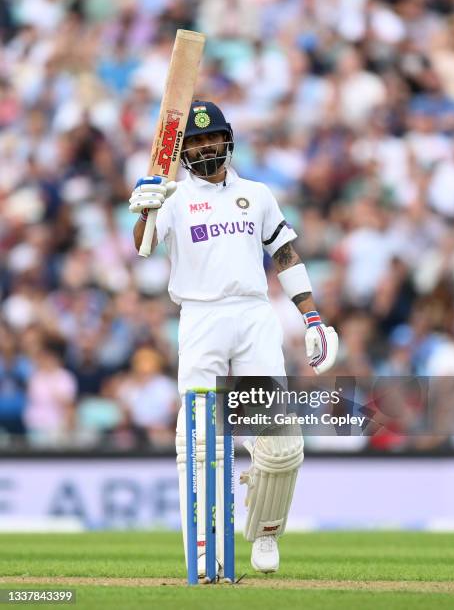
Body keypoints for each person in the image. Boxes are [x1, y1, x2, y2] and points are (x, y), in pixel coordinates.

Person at [129, 100, 338, 577]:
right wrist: (145, 209)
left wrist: (312, 318)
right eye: (196, 141)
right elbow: (142, 248)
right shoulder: (173, 196)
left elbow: (284, 252)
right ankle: (202, 551)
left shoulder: (258, 194)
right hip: (201, 316)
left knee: (282, 439)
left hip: (253, 314)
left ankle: (265, 534)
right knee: (200, 438)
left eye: (212, 138)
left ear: (227, 139)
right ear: (183, 151)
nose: (205, 147)